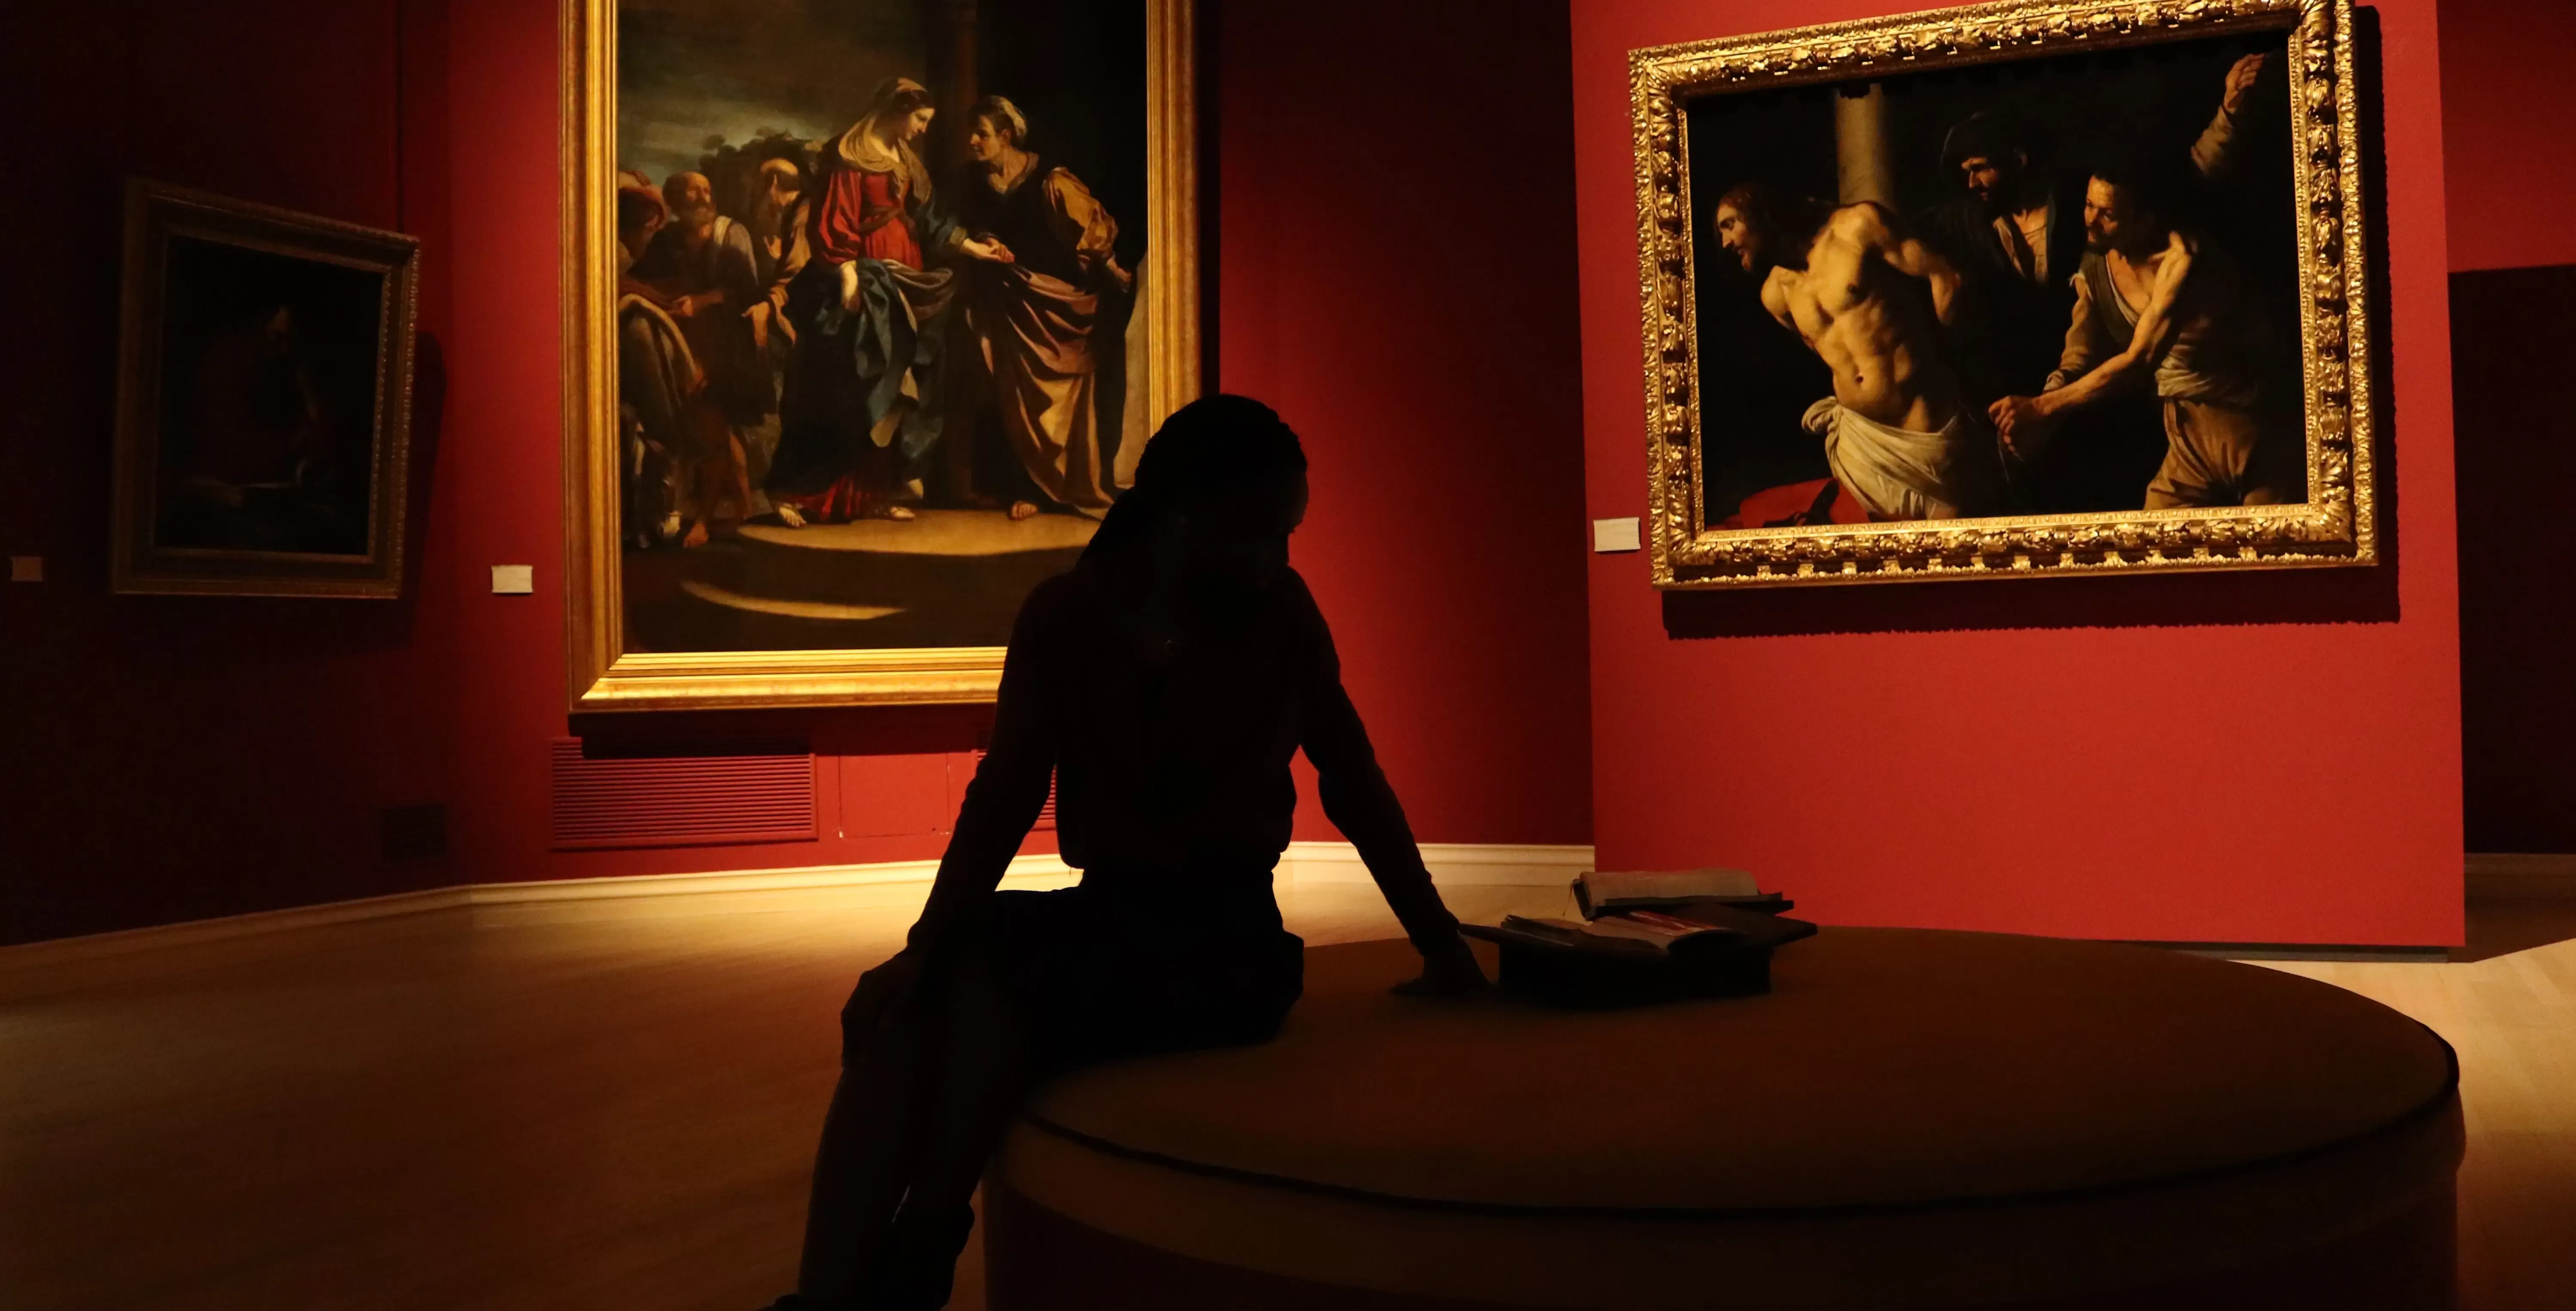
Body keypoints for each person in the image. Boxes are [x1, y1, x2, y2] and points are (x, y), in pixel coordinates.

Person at [763, 395, 1489, 1311]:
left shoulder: (1270, 614)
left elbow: (1355, 782)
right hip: (1117, 922)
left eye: (1287, 535)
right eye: (1258, 532)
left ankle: (915, 1252)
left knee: (985, 970)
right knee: (911, 1004)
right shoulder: (1069, 615)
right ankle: (844, 1291)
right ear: (1181, 515)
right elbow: (1005, 795)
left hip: (1230, 949)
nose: (1276, 558)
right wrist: (921, 949)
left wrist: (1439, 938)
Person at [764, 78, 1015, 525]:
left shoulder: (906, 160)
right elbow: (834, 221)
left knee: (898, 380)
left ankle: (874, 493)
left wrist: (975, 249)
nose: (922, 129)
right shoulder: (850, 157)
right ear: (898, 111)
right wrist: (846, 274)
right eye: (920, 119)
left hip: (904, 278)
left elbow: (931, 218)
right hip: (864, 278)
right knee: (855, 383)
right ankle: (803, 492)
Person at [1987, 153, 2300, 509]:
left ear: (2146, 221)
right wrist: (2043, 408)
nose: (2091, 221)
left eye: (2108, 214)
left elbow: (2139, 361)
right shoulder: (2098, 269)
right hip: (2185, 437)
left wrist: (2044, 408)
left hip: (2254, 430)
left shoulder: (2184, 261)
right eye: (2089, 206)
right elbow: (2080, 354)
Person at [1759, 202, 2013, 520]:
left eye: (1730, 224)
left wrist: (1952, 359)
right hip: (1860, 443)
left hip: (1925, 430)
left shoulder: (1855, 226)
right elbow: (1831, 354)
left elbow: (1947, 277)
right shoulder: (1775, 293)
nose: (1726, 242)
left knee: (1949, 545)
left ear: (1762, 215)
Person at [951, 95, 1134, 521]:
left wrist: (1112, 268)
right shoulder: (971, 182)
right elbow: (966, 227)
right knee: (1013, 399)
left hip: (1056, 302)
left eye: (981, 133)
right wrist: (985, 241)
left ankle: (1065, 487)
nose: (972, 141)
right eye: (971, 133)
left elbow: (1091, 231)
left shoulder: (1051, 180)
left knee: (1064, 402)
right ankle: (1024, 487)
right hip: (1009, 305)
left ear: (1006, 136)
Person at [632, 170, 765, 546]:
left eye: (707, 190)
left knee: (713, 427)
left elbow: (747, 291)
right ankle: (744, 510)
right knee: (718, 431)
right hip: (686, 343)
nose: (705, 197)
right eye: (695, 191)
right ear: (677, 201)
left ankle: (705, 519)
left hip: (727, 347)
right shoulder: (668, 240)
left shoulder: (731, 234)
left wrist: (702, 301)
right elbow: (645, 280)